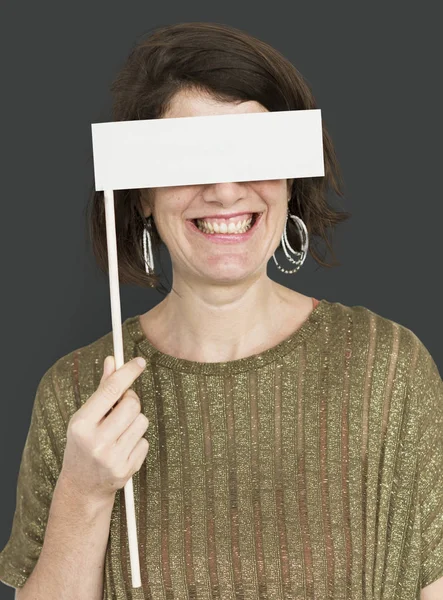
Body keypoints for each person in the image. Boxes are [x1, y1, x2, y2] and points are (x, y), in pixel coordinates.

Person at [0, 21, 442, 600]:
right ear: (143, 195)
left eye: (252, 155)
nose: (224, 190)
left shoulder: (389, 370)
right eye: (187, 159)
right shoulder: (76, 395)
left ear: (290, 181)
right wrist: (84, 494)